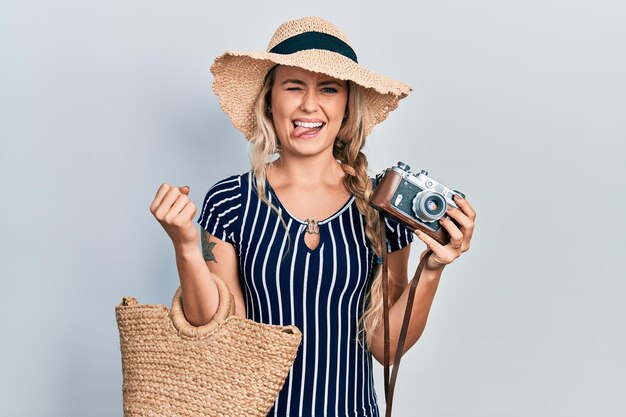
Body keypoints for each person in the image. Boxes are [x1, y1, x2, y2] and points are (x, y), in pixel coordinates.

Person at [149, 16, 476, 417]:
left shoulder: (382, 205)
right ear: (270, 100)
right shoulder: (231, 201)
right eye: (293, 87)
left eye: (328, 88)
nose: (309, 104)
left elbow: (385, 347)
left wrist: (432, 269)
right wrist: (186, 247)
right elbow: (218, 333)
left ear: (345, 105)